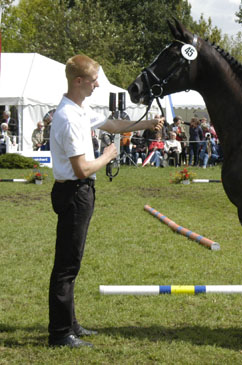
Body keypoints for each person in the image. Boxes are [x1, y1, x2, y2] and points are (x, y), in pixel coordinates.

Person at [48, 54, 162, 348]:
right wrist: (107, 157)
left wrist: (148, 123)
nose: (98, 84)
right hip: (75, 192)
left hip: (79, 192)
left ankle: (70, 324)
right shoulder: (69, 118)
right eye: (93, 79)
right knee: (67, 266)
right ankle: (61, 334)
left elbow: (112, 124)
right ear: (78, 81)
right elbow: (82, 168)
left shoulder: (78, 109)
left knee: (71, 262)